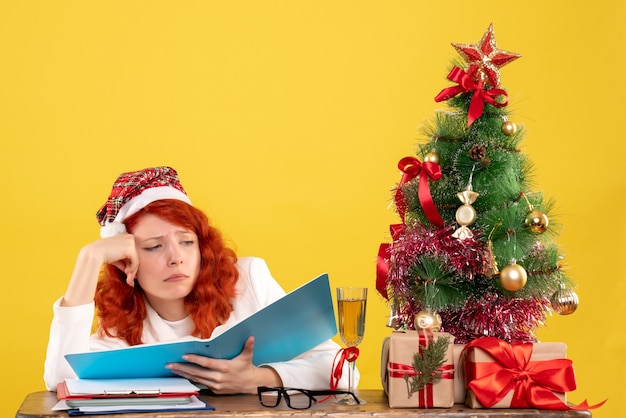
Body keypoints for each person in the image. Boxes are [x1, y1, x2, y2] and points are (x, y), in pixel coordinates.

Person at [44, 166, 358, 394]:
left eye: (187, 242)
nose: (176, 257)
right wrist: (89, 258)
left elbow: (344, 371)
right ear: (127, 261)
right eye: (154, 247)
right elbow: (60, 379)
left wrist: (259, 377)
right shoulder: (122, 317)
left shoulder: (248, 280)